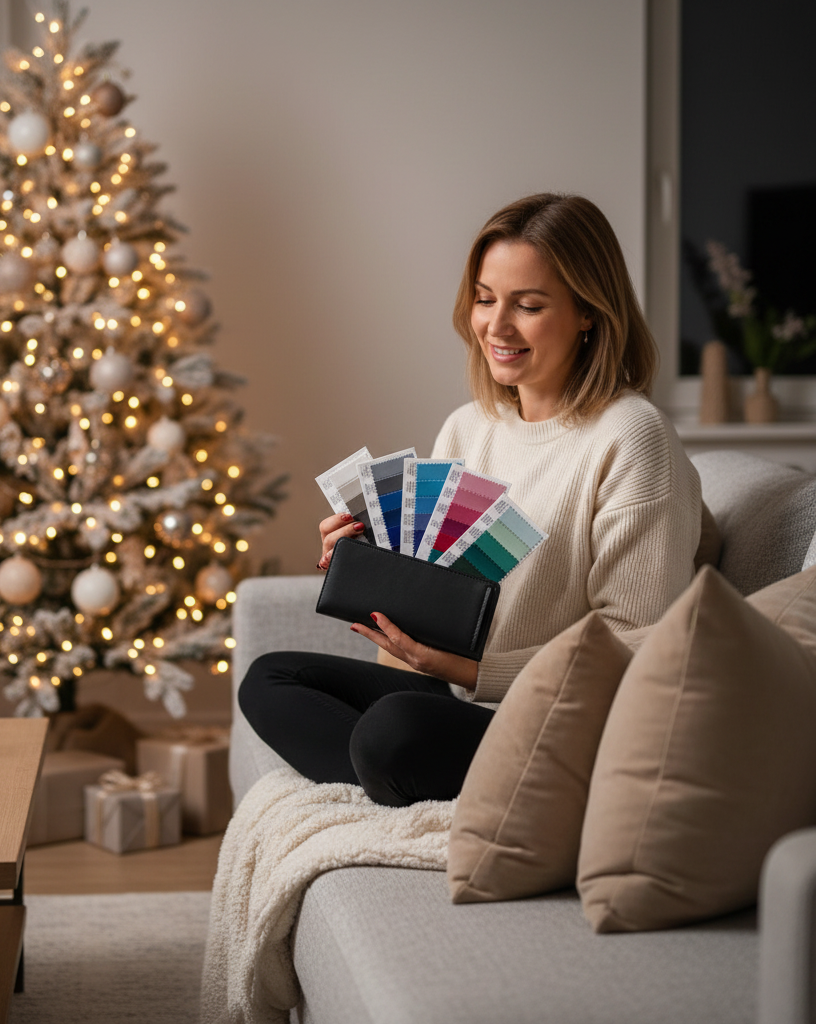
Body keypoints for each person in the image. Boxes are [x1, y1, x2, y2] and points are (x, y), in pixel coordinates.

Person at [238, 192, 701, 807]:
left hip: (556, 723)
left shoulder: (631, 437)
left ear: (589, 312)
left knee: (394, 732)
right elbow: (442, 594)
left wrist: (469, 673)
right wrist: (371, 566)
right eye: (485, 299)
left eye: (528, 305)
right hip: (453, 700)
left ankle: (404, 774)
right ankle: (398, 777)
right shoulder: (469, 427)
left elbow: (638, 639)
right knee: (269, 680)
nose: (496, 326)